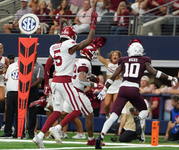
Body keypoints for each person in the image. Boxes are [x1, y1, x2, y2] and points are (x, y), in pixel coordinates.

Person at [95, 39, 177, 149]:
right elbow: (154, 73)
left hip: (123, 88)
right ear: (141, 51)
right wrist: (171, 77)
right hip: (134, 88)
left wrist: (104, 89)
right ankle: (138, 118)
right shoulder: (144, 61)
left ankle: (101, 136)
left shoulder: (123, 60)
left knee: (113, 116)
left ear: (129, 50)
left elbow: (113, 76)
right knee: (144, 111)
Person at [32, 11, 98, 148]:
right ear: (72, 37)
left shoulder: (53, 46)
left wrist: (46, 84)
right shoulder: (69, 45)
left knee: (56, 112)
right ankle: (57, 128)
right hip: (65, 82)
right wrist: (93, 23)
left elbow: (47, 67)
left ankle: (39, 136)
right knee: (76, 110)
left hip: (55, 82)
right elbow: (89, 41)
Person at [0, 53, 16, 131]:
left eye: (13, 59)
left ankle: (4, 123)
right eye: (10, 59)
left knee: (7, 107)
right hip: (1, 88)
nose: (12, 60)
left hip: (8, 89)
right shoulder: (1, 68)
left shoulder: (13, 68)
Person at [97, 48, 122, 119]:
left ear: (118, 57)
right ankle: (108, 115)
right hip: (109, 86)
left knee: (116, 104)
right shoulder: (107, 63)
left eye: (116, 55)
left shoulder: (121, 64)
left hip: (117, 85)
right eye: (113, 55)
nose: (115, 56)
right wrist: (98, 48)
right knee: (106, 105)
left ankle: (118, 116)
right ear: (111, 57)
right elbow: (99, 57)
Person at [0, 60, 19, 138]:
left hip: (20, 92)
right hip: (10, 91)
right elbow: (6, 78)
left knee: (19, 114)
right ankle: (7, 132)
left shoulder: (26, 67)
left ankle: (19, 132)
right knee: (9, 113)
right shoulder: (11, 66)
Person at [26, 52, 44, 139]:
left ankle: (31, 132)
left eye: (36, 55)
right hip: (22, 90)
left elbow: (39, 80)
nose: (34, 57)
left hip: (33, 90)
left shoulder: (39, 66)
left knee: (32, 112)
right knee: (20, 110)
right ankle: (19, 131)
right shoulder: (24, 64)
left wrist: (28, 87)